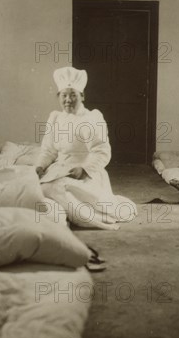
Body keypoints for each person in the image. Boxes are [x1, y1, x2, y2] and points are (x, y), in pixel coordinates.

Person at [35, 67, 137, 230]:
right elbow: (49, 150)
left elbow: (102, 151)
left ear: (82, 96)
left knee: (50, 188)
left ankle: (82, 215)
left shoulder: (91, 118)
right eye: (64, 95)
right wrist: (40, 166)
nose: (68, 100)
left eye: (73, 95)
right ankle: (63, 215)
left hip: (86, 175)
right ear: (58, 97)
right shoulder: (56, 118)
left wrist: (83, 169)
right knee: (35, 187)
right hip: (59, 170)